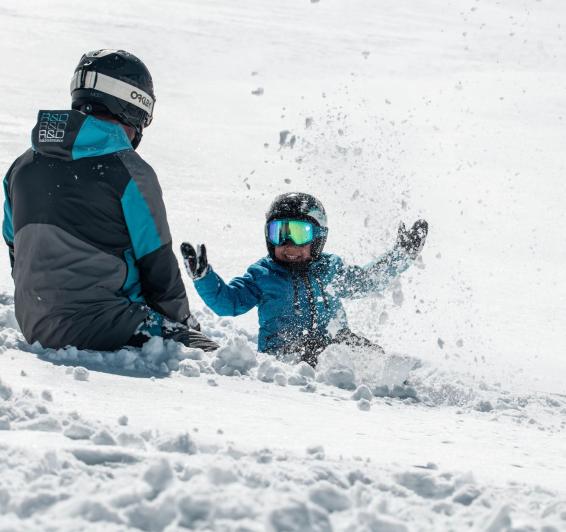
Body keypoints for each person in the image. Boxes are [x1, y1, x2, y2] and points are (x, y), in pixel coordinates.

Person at [2, 49, 218, 352]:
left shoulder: (21, 167)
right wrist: (181, 325)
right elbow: (157, 264)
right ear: (133, 106)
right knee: (207, 358)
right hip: (107, 324)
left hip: (35, 325)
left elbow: (16, 249)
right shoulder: (128, 171)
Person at [181, 192, 427, 366]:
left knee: (363, 351)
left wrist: (402, 255)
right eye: (279, 233)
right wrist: (204, 278)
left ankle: (384, 377)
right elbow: (228, 303)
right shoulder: (263, 275)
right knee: (320, 350)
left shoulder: (330, 268)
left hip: (333, 344)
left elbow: (366, 280)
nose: (289, 244)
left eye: (299, 233)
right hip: (284, 353)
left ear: (318, 237)